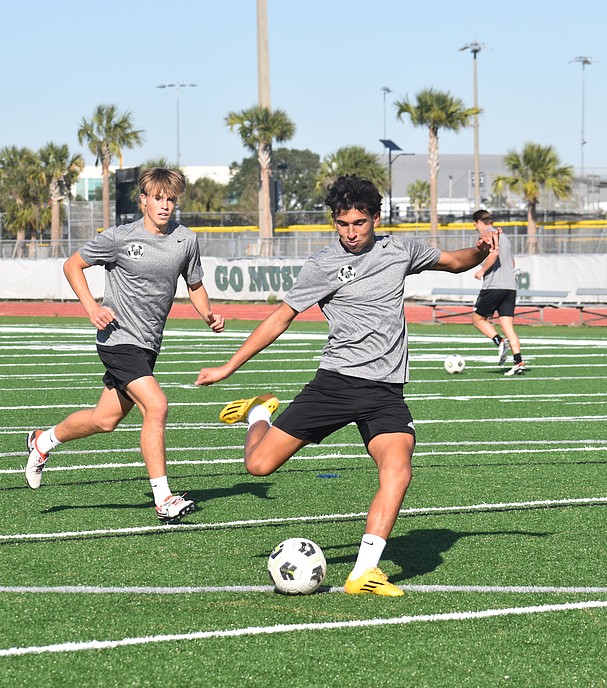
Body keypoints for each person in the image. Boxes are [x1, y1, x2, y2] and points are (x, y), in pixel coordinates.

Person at [195, 174, 496, 596]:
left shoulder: (400, 249)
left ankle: (363, 573)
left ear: (375, 218)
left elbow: (454, 261)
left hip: (386, 392)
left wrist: (480, 250)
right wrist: (228, 368)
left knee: (398, 468)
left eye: (359, 223)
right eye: (342, 224)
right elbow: (280, 318)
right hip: (336, 384)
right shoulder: (321, 265)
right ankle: (258, 412)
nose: (351, 233)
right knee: (258, 466)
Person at [24, 167, 225, 523]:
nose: (165, 206)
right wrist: (91, 308)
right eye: (158, 198)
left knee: (104, 420)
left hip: (147, 344)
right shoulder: (118, 237)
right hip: (117, 338)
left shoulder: (186, 240)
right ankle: (163, 500)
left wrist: (208, 314)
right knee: (157, 405)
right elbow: (73, 265)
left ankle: (43, 442)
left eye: (171, 199)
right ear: (144, 200)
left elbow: (194, 284)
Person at [470, 209, 526, 375]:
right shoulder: (505, 238)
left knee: (478, 319)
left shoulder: (487, 235)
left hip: (494, 285)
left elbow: (493, 255)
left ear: (479, 222)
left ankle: (499, 341)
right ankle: (519, 362)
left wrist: (481, 272)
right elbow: (512, 262)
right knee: (507, 325)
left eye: (475, 224)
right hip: (510, 286)